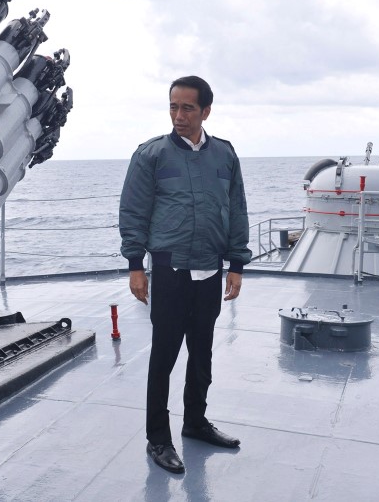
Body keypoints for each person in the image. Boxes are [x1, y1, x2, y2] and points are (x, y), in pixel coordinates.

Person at [119, 75, 251, 474]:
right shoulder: (151, 155)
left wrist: (237, 265)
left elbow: (237, 210)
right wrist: (135, 267)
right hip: (169, 269)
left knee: (202, 354)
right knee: (164, 356)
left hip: (210, 269)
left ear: (205, 111)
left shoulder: (225, 156)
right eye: (174, 106)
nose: (179, 115)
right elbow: (134, 212)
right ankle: (158, 438)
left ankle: (194, 423)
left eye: (187, 107)